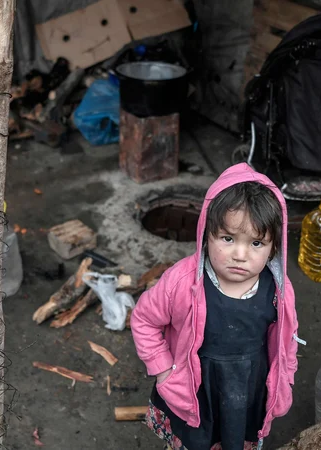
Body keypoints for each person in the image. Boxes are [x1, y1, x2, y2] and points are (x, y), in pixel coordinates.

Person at [131, 163, 301, 450]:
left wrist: (286, 376)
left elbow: (289, 337)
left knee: (238, 438)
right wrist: (162, 370)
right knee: (195, 442)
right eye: (228, 238)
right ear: (206, 234)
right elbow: (144, 320)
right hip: (196, 390)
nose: (240, 254)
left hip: (248, 389)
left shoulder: (279, 289)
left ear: (274, 247)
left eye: (257, 243)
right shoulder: (181, 282)